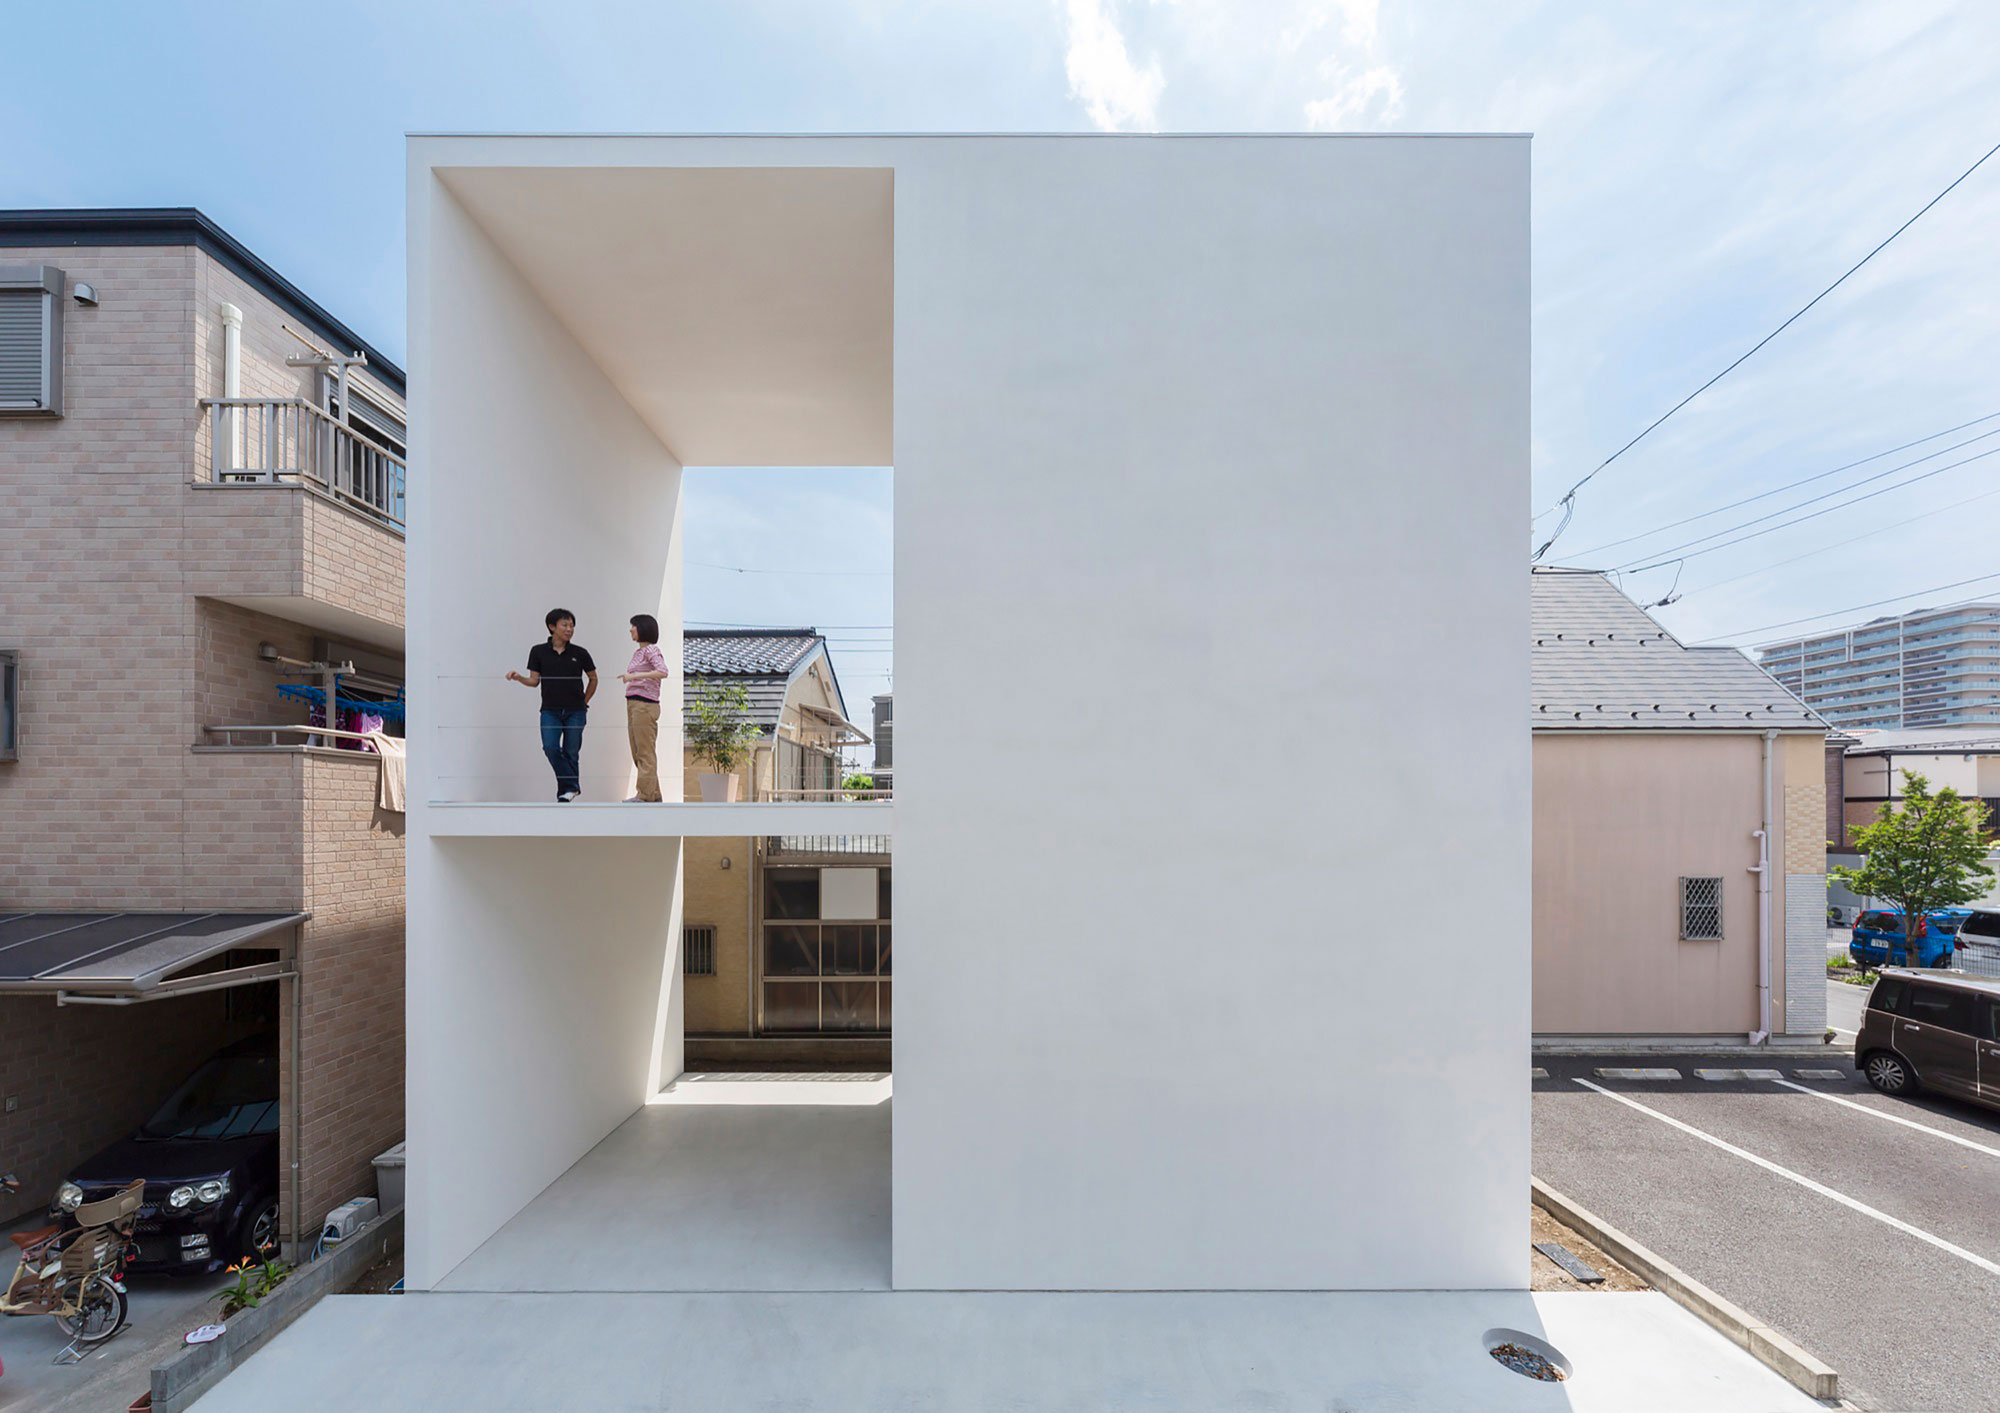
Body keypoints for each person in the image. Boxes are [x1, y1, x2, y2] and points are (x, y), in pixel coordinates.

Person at [506, 608, 597, 801]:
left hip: (576, 711)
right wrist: (518, 677)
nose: (569, 629)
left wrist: (584, 701)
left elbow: (593, 678)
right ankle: (571, 786)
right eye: (565, 625)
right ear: (552, 627)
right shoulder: (538, 651)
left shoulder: (580, 653)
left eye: (572, 625)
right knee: (551, 748)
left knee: (571, 751)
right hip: (550, 710)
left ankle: (565, 793)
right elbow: (534, 681)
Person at [618, 614, 672, 802]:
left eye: (633, 626)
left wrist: (633, 677)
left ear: (642, 628)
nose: (631, 630)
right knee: (638, 750)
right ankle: (653, 794)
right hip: (633, 703)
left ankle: (644, 795)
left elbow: (663, 671)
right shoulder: (638, 653)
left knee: (645, 751)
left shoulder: (651, 650)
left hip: (644, 704)